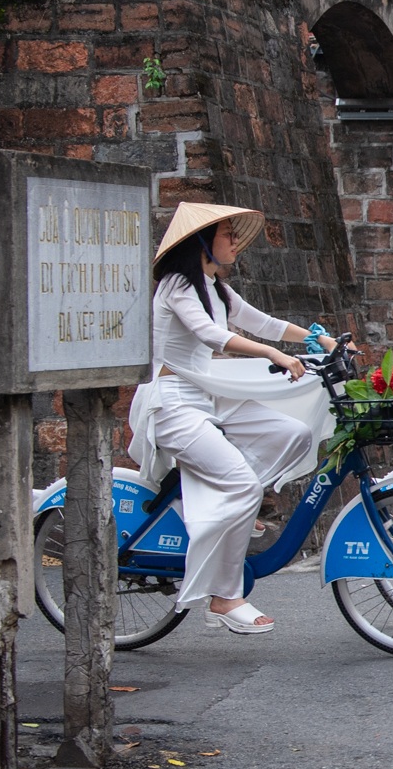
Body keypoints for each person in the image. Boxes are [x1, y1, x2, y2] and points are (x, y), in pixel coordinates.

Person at [136, 203, 333, 634]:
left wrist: (320, 338)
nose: (234, 242)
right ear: (202, 242)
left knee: (295, 433)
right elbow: (210, 335)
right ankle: (224, 599)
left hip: (209, 395)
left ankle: (233, 507)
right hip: (172, 403)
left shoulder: (216, 289)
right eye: (227, 234)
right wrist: (271, 353)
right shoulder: (177, 285)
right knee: (242, 484)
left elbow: (262, 321)